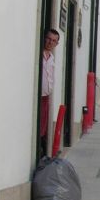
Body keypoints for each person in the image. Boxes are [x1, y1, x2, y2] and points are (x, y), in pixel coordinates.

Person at [40, 28, 59, 158]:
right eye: (48, 39)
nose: (50, 42)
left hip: (46, 97)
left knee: (43, 129)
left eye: (53, 41)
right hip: (38, 97)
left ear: (56, 44)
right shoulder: (39, 54)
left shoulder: (52, 57)